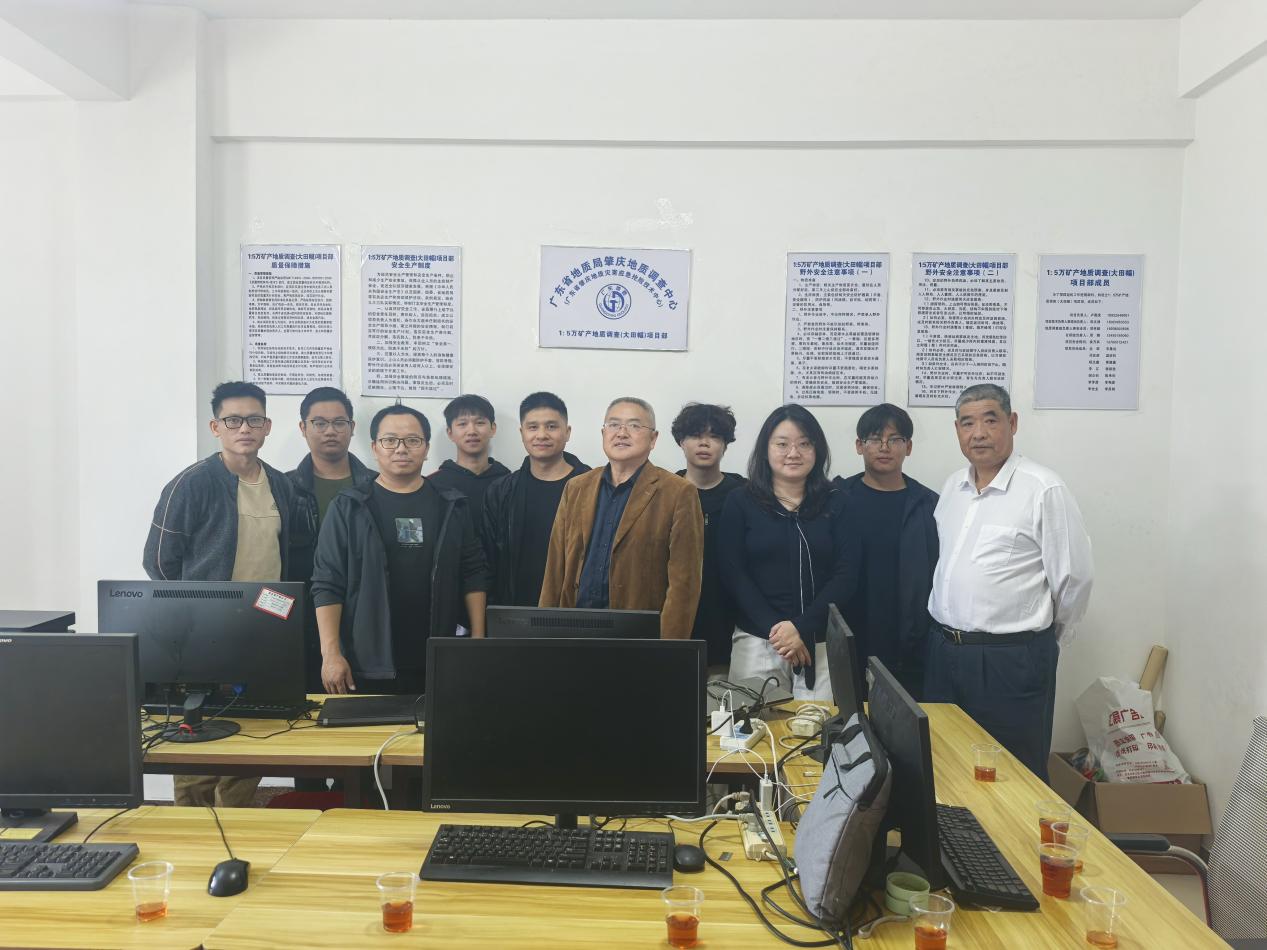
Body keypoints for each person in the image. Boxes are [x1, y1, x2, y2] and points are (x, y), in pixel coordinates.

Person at [925, 383, 1093, 782]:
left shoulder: (1042, 488)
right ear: (957, 430)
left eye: (990, 420)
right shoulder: (952, 488)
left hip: (1010, 658)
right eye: (968, 423)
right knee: (944, 766)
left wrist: (1043, 639)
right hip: (944, 652)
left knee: (1013, 774)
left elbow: (1074, 578)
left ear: (1012, 423)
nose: (979, 433)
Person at [143, 380, 295, 808]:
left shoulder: (281, 485)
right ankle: (191, 827)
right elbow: (158, 562)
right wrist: (194, 610)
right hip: (200, 635)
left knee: (251, 735)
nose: (244, 428)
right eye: (233, 420)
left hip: (263, 627)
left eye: (254, 420)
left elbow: (283, 559)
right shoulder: (191, 483)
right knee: (198, 735)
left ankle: (237, 822)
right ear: (216, 427)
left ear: (267, 426)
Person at [311, 404, 487, 696]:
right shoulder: (349, 506)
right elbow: (327, 582)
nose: (401, 448)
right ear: (374, 448)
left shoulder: (452, 505)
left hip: (439, 658)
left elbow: (473, 572)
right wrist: (331, 654)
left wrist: (478, 641)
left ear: (426, 448)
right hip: (366, 661)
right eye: (390, 440)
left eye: (412, 440)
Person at [539, 397, 703, 638]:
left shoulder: (678, 492)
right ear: (603, 433)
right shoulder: (576, 487)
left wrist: (668, 649)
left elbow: (684, 585)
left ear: (653, 439)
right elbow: (554, 569)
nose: (622, 433)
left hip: (639, 637)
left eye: (634, 426)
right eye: (614, 425)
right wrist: (544, 634)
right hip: (574, 629)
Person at [719, 404, 850, 701]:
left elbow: (847, 574)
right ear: (765, 449)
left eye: (804, 444)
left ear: (817, 450)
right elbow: (733, 573)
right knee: (754, 726)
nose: (793, 453)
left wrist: (801, 627)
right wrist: (780, 633)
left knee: (818, 727)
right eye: (782, 444)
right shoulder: (741, 501)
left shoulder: (837, 502)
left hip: (820, 641)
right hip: (757, 639)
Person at [833, 403, 938, 700]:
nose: (884, 447)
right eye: (874, 439)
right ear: (859, 445)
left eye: (895, 439)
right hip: (849, 635)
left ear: (909, 447)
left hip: (909, 643)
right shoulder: (836, 499)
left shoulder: (928, 505)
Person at [287, 386, 375, 691]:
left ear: (352, 427)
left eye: (339, 422)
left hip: (364, 619)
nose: (330, 431)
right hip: (301, 621)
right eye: (319, 423)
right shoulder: (284, 488)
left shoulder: (376, 486)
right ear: (303, 428)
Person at [481, 392, 589, 607]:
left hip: (577, 611)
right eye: (533, 427)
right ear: (522, 433)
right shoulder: (501, 491)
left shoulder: (592, 487)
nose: (541, 435)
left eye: (551, 426)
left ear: (567, 432)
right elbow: (487, 561)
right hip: (516, 611)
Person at [671, 402, 745, 672]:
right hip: (677, 616)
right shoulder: (665, 492)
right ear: (681, 442)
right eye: (695, 435)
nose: (704, 443)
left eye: (714, 436)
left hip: (732, 617)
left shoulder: (744, 494)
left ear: (726, 444)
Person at [426, 394, 511, 526]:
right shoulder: (434, 484)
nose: (472, 431)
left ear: (492, 429)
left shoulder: (509, 483)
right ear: (450, 433)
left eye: (480, 423)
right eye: (462, 424)